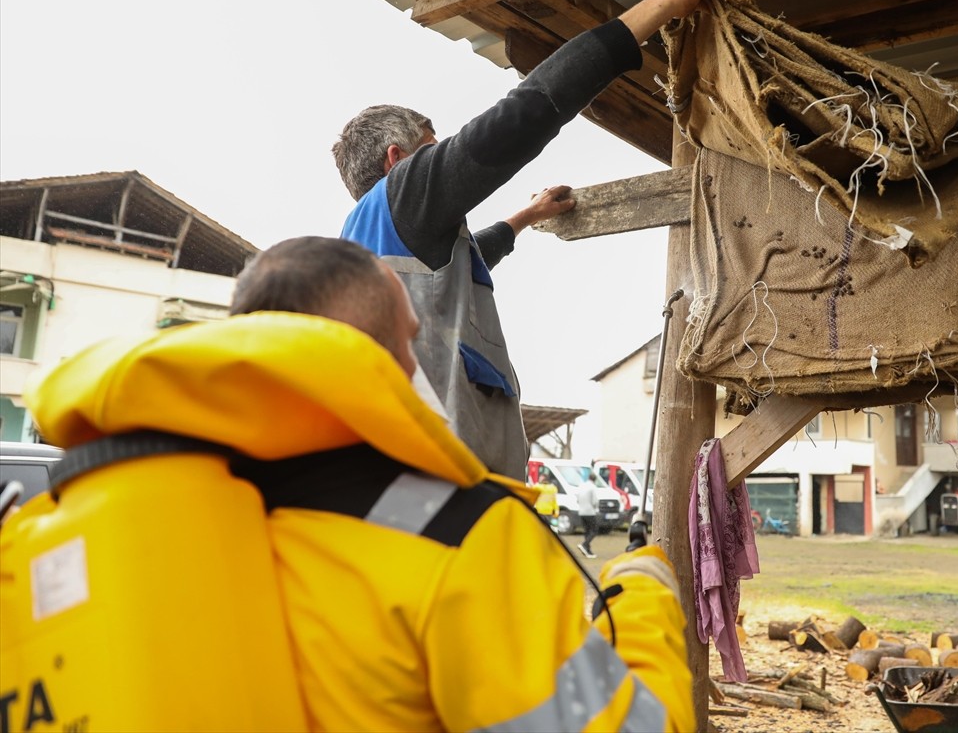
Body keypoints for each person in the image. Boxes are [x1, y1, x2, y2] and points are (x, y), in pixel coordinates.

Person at [20, 237, 695, 730]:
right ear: (385, 358)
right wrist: (643, 600)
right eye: (409, 338)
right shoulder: (462, 539)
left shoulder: (99, 515)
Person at [332, 0, 737, 482]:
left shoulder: (370, 246)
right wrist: (663, 5)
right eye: (433, 146)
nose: (443, 158)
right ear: (396, 159)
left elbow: (463, 265)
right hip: (448, 484)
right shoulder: (405, 192)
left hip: (417, 480)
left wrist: (525, 217)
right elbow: (523, 113)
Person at [577, 472, 600, 559]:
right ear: (595, 480)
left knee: (587, 531)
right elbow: (594, 501)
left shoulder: (582, 486)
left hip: (581, 511)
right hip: (590, 511)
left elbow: (578, 499)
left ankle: (587, 550)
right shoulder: (593, 487)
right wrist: (595, 508)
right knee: (594, 530)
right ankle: (584, 544)